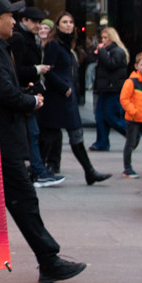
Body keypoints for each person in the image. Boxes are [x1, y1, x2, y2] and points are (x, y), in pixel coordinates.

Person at [0, 0, 87, 283]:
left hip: (2, 138)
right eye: (10, 16)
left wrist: (24, 92)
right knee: (24, 200)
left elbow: (6, 87)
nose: (14, 21)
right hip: (3, 140)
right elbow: (3, 92)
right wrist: (31, 100)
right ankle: (48, 259)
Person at [42, 13, 111, 185]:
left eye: (71, 22)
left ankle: (89, 171)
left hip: (67, 99)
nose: (68, 25)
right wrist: (64, 87)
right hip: (57, 98)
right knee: (50, 136)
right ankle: (40, 169)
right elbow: (48, 70)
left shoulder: (67, 45)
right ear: (58, 26)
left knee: (74, 135)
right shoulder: (54, 45)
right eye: (64, 22)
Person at [9, 8, 60, 186]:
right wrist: (37, 69)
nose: (38, 25)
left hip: (27, 91)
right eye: (35, 22)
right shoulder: (19, 39)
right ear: (25, 20)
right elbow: (16, 69)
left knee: (32, 133)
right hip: (23, 92)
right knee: (32, 133)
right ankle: (38, 171)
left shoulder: (30, 38)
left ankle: (37, 170)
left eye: (40, 22)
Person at [89, 26, 131, 151]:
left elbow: (112, 64)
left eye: (105, 38)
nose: (103, 40)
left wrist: (101, 52)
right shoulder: (106, 51)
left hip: (113, 89)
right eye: (102, 38)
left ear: (112, 38)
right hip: (105, 88)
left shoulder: (117, 51)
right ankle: (102, 142)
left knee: (111, 116)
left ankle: (132, 134)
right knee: (100, 116)